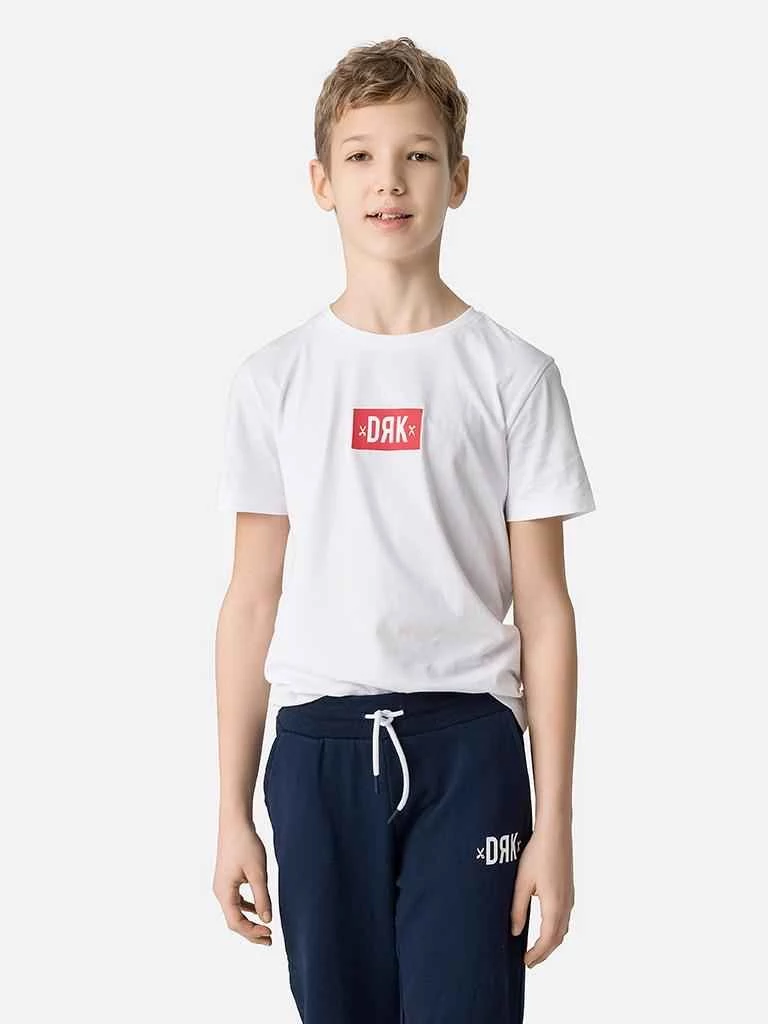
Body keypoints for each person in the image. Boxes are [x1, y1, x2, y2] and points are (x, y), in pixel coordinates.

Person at [213, 35, 596, 1024]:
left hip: (469, 750)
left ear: (458, 179)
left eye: (419, 155)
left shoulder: (514, 376)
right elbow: (251, 598)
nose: (390, 180)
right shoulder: (276, 380)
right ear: (321, 182)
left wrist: (554, 820)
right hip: (318, 752)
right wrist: (231, 809)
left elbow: (545, 609)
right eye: (361, 156)